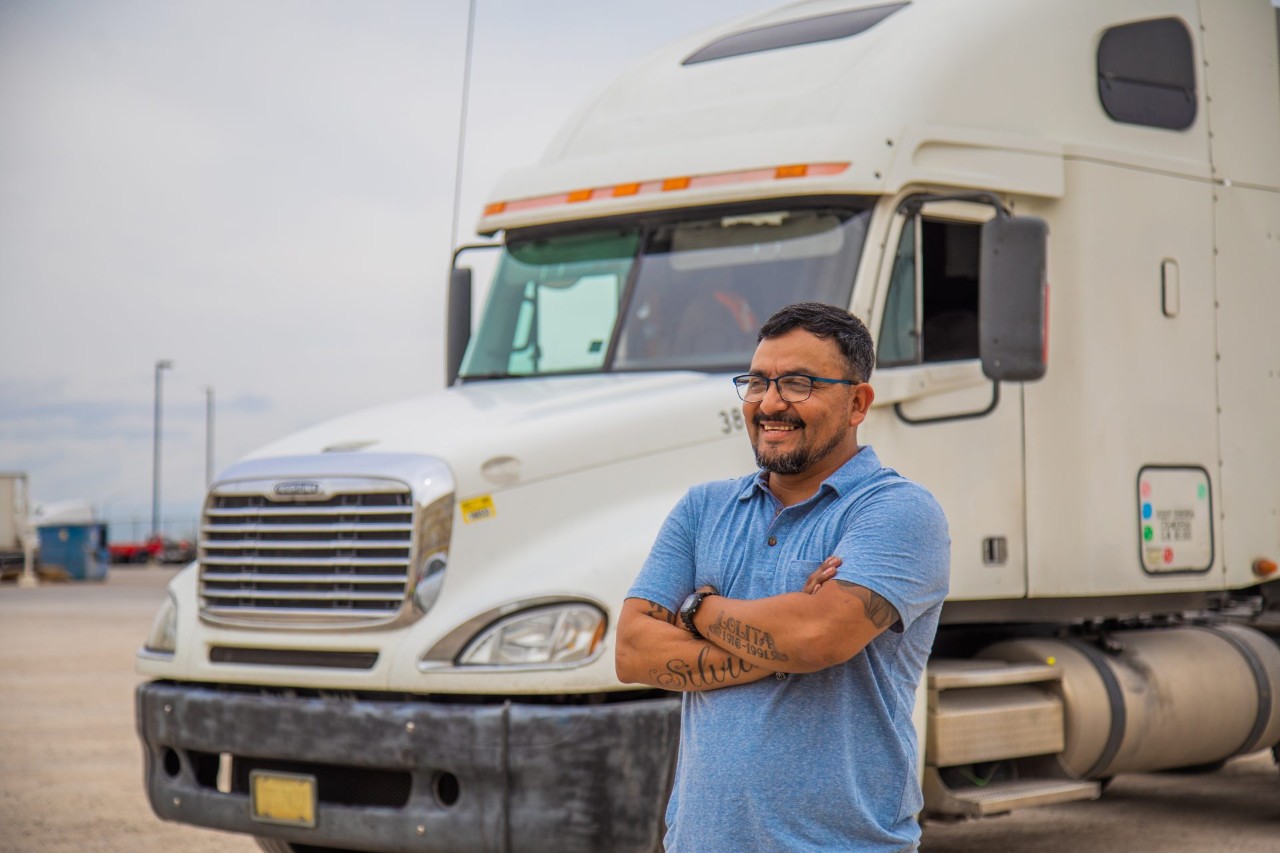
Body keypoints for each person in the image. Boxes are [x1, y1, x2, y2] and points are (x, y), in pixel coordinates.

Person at [615, 301, 950, 852]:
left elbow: (818, 637)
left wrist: (699, 611)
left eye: (798, 384)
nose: (771, 403)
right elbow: (631, 651)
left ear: (857, 402)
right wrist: (786, 635)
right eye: (757, 382)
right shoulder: (703, 509)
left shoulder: (898, 512)